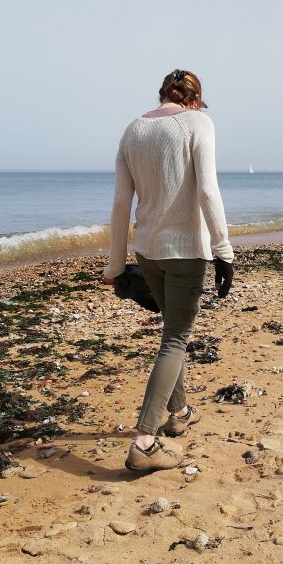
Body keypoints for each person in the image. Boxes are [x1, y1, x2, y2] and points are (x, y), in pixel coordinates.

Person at [102, 69, 235, 472]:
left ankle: (180, 412)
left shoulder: (133, 130)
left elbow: (121, 205)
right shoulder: (198, 123)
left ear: (163, 95)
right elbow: (208, 190)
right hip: (184, 252)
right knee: (176, 338)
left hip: (147, 252)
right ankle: (144, 442)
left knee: (170, 332)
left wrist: (114, 263)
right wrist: (223, 250)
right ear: (195, 100)